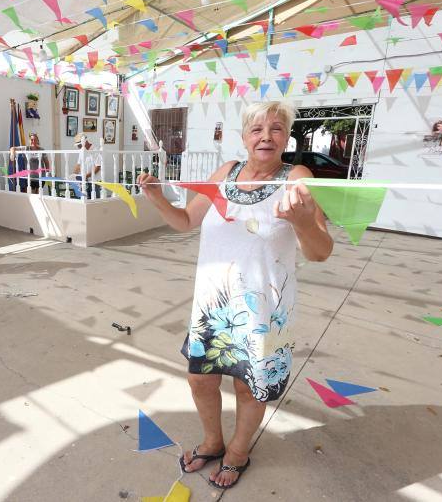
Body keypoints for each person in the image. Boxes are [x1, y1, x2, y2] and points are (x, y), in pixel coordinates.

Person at [137, 101, 333, 491]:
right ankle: (213, 441)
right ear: (244, 137)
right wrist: (158, 197)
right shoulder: (226, 172)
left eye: (276, 128)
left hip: (263, 308)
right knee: (200, 380)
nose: (266, 136)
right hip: (213, 304)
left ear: (286, 137)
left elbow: (320, 250)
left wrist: (300, 220)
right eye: (257, 129)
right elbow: (186, 221)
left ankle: (238, 453)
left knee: (247, 386)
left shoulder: (296, 176)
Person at [71, 133, 102, 199]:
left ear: (86, 142)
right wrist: (73, 175)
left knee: (95, 200)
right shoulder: (82, 151)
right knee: (84, 199)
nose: (78, 147)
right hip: (84, 180)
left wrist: (86, 176)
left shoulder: (95, 150)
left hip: (94, 181)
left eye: (79, 145)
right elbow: (78, 165)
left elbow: (98, 167)